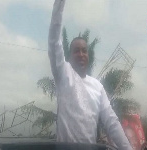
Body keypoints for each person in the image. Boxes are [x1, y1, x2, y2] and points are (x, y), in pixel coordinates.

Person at [48, 0, 132, 149]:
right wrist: (60, 4)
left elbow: (111, 122)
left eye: (84, 50)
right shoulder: (63, 73)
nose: (81, 54)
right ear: (69, 55)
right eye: (76, 51)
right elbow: (54, 41)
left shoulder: (97, 86)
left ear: (89, 55)